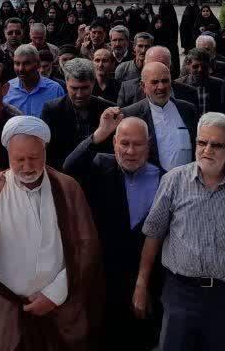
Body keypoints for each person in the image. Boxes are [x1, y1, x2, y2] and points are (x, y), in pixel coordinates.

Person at [0, 116, 103, 351]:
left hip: (58, 308)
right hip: (6, 312)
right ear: (8, 156)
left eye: (33, 158)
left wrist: (54, 294)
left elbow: (87, 247)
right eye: (19, 160)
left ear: (45, 152)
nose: (27, 166)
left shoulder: (67, 187)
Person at [136, 112, 225, 349]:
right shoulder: (173, 181)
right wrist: (141, 284)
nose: (207, 150)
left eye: (215, 145)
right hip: (180, 295)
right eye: (201, 142)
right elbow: (153, 235)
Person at [64, 111, 163, 351]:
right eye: (124, 143)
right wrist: (99, 134)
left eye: (137, 144)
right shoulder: (100, 165)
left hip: (146, 283)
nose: (130, 151)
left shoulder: (165, 179)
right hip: (103, 282)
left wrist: (146, 284)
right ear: (114, 143)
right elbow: (69, 167)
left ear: (148, 145)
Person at [121, 60, 198, 172]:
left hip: (187, 179)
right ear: (143, 86)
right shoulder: (131, 115)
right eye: (155, 82)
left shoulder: (188, 109)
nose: (161, 87)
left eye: (165, 81)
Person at [41, 58, 110, 170]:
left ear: (93, 83)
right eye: (74, 88)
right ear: (66, 83)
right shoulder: (52, 110)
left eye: (84, 88)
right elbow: (46, 151)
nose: (79, 94)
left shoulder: (106, 109)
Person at [116, 47, 196, 108]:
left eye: (162, 65)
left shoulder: (188, 93)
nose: (158, 69)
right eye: (153, 65)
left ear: (170, 67)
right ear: (144, 65)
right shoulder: (127, 90)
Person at [4, 44, 66, 119]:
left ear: (38, 64)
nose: (21, 69)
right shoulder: (7, 89)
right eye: (17, 63)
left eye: (26, 63)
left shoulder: (55, 89)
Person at [176, 48, 225, 119]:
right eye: (195, 67)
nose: (200, 70)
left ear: (209, 66)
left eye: (203, 66)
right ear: (188, 65)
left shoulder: (220, 85)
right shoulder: (178, 85)